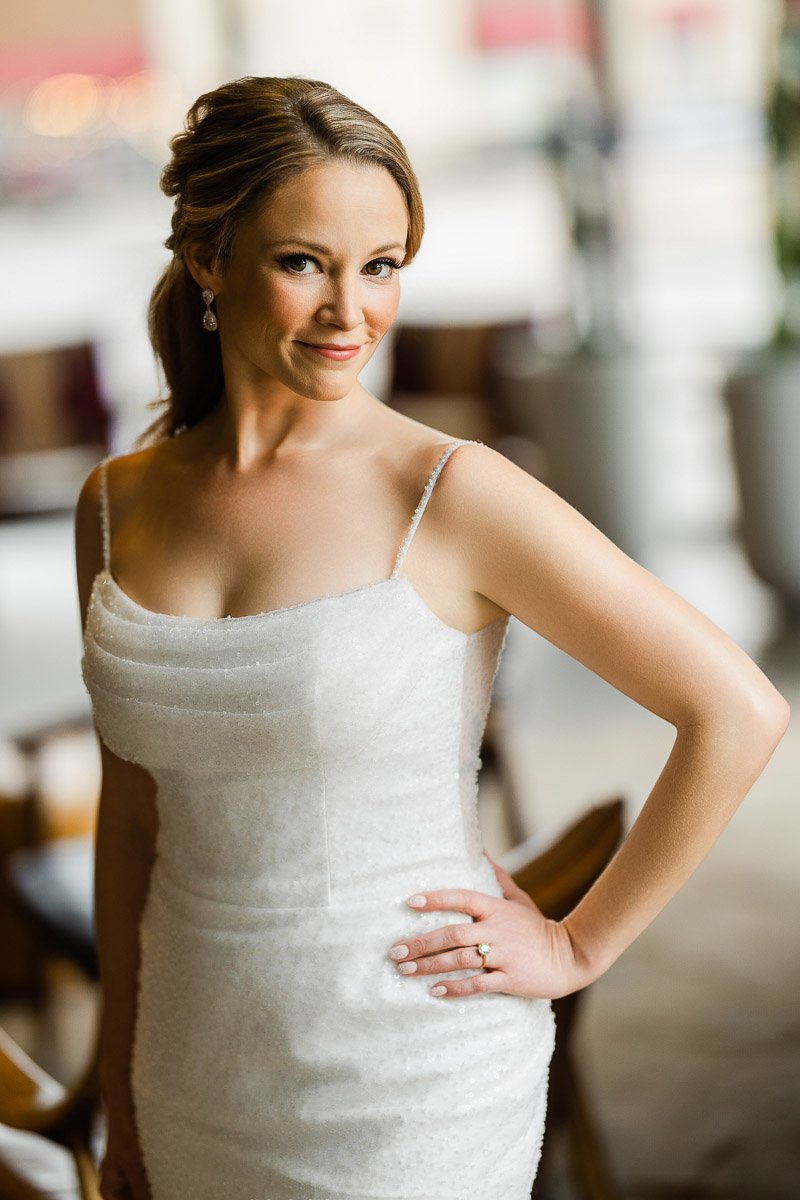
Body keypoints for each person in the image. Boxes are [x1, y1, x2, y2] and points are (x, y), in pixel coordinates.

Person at [74, 75, 790, 1200]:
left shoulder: (449, 492)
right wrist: (116, 1085)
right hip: (191, 1056)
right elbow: (132, 822)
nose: (347, 311)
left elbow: (737, 710)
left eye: (381, 266)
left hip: (408, 1071)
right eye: (302, 260)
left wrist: (575, 945)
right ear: (208, 260)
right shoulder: (116, 503)